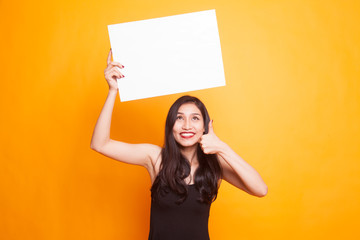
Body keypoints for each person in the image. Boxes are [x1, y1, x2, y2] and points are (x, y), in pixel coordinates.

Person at [90, 49, 268, 240]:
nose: (187, 126)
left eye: (195, 119)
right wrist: (112, 91)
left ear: (205, 126)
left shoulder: (214, 166)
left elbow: (260, 190)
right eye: (179, 118)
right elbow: (100, 144)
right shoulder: (155, 158)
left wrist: (222, 148)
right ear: (171, 125)